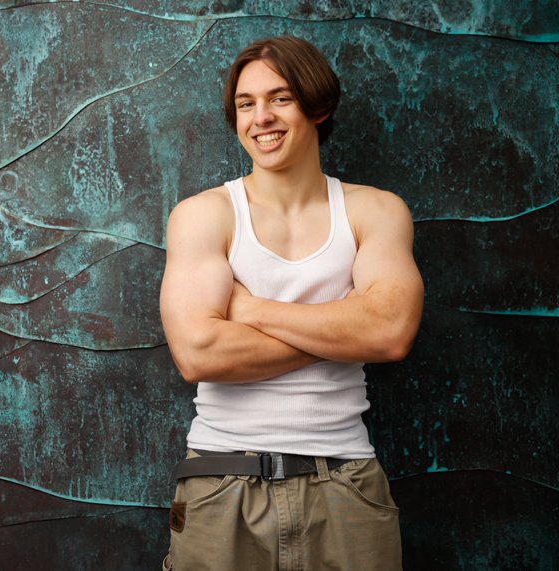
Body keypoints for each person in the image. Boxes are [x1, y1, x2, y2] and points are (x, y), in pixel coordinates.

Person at [159, 35, 424, 571]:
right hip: (219, 482)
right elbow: (199, 353)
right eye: (245, 104)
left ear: (319, 106)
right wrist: (346, 329)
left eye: (280, 98)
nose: (262, 118)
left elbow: (391, 333)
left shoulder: (375, 210)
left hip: (345, 481)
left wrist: (254, 310)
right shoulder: (204, 215)